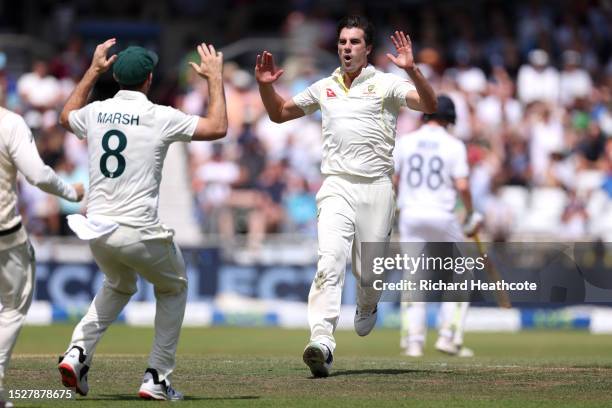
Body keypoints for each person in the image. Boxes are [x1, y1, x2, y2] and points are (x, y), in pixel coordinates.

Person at [255, 15, 437, 377]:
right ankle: (321, 341)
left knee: (369, 274)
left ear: (368, 48)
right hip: (336, 185)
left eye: (354, 42)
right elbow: (278, 114)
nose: (347, 48)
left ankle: (368, 304)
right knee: (329, 262)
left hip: (377, 188)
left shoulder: (386, 83)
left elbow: (429, 105)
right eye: (342, 43)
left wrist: (413, 70)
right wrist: (264, 87)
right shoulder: (325, 86)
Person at [57, 38, 227, 400]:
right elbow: (217, 127)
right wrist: (214, 78)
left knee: (119, 285)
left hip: (97, 229)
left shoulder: (96, 111)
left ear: (115, 76)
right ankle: (156, 376)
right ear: (149, 79)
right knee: (174, 286)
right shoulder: (159, 116)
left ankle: (77, 353)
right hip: (137, 229)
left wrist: (91, 70)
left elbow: (65, 116)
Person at [0, 107, 84, 408]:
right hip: (4, 235)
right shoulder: (9, 122)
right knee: (12, 307)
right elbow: (36, 174)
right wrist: (70, 192)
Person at [394, 95, 482, 358]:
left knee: (413, 278)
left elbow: (393, 178)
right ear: (450, 119)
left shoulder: (405, 141)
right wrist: (471, 213)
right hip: (443, 215)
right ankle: (448, 337)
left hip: (410, 214)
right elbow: (463, 186)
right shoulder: (454, 145)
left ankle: (413, 342)